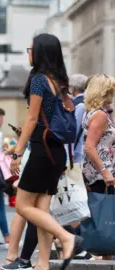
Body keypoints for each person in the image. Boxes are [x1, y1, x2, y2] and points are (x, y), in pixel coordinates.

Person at [9, 33, 83, 270]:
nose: (28, 53)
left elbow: (31, 120)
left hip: (42, 151)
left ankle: (66, 237)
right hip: (57, 152)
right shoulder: (59, 81)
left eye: (30, 49)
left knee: (22, 206)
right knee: (41, 210)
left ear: (39, 52)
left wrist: (17, 153)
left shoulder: (39, 80)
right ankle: (42, 264)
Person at [82, 74, 115, 260]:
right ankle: (103, 253)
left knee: (103, 214)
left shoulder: (93, 112)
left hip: (98, 171)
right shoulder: (100, 115)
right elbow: (90, 146)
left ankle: (106, 257)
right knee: (105, 214)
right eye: (110, 90)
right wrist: (105, 171)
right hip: (102, 173)